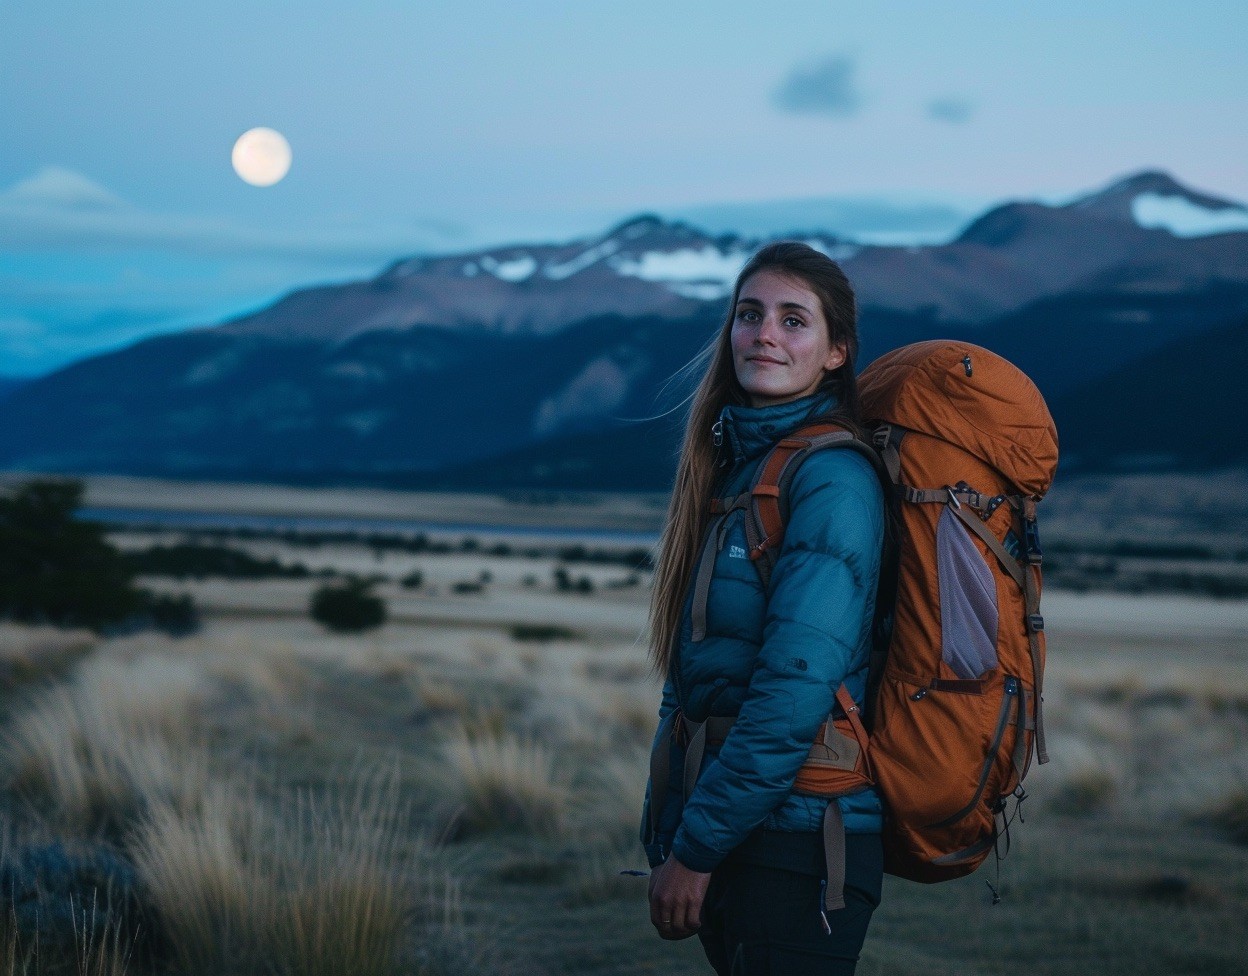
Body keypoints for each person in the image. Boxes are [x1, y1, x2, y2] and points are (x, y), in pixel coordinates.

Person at [642, 241, 885, 975]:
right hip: (747, 826)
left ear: (837, 351)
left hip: (800, 842)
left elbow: (793, 692)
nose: (764, 334)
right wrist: (669, 826)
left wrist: (696, 846)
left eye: (793, 320)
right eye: (749, 315)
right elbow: (692, 674)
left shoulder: (832, 478)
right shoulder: (742, 469)